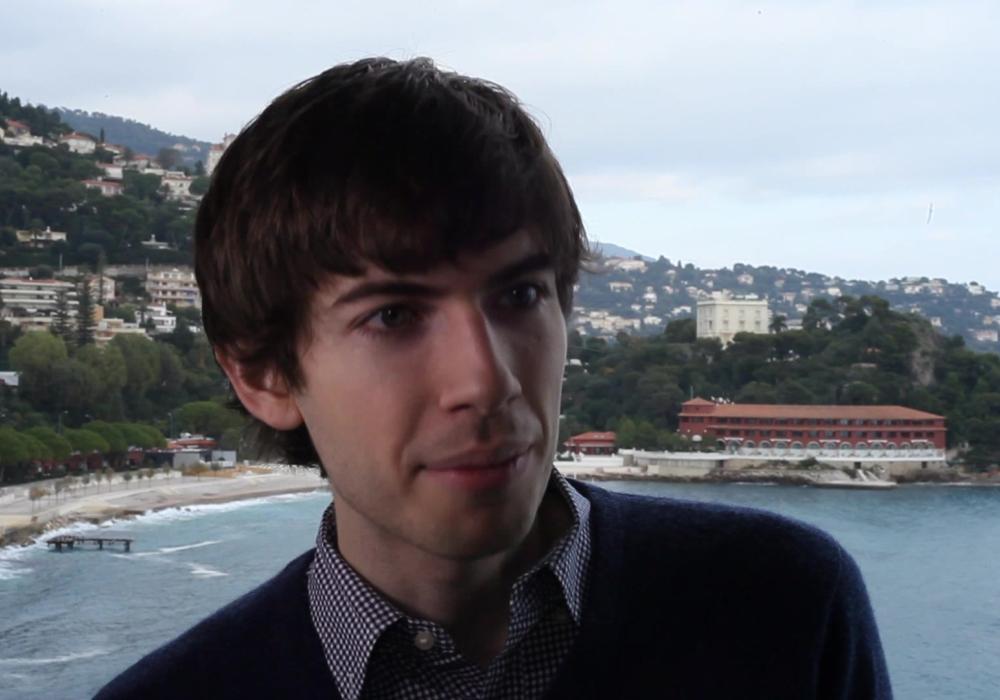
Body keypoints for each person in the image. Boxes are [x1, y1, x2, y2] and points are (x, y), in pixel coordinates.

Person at [96, 57, 892, 699]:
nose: (487, 379)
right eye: (394, 316)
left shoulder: (782, 608)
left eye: (519, 296)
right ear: (263, 374)